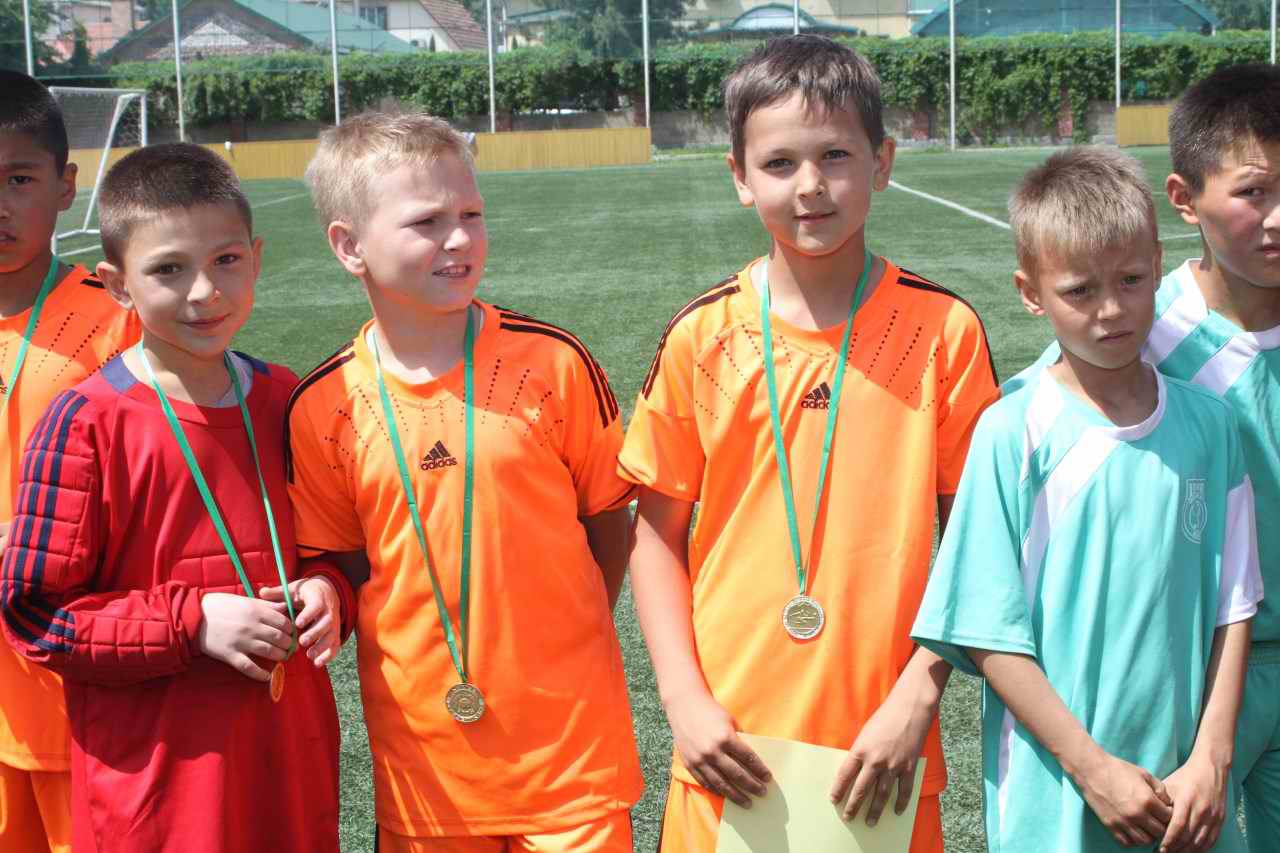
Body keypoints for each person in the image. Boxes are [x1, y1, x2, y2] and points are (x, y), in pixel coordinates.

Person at [619, 35, 999, 852]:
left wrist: (919, 694)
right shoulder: (701, 338)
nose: (810, 185)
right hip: (729, 746)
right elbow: (654, 535)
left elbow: (980, 540)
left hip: (884, 751)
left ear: (882, 162)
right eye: (780, 163)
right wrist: (683, 701)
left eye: (835, 155)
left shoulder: (943, 331)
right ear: (739, 176)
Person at [287, 110, 643, 852]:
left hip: (571, 754)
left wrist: (563, 631)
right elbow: (343, 564)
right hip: (428, 771)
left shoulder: (555, 363)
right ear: (350, 246)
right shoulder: (324, 404)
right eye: (427, 221)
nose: (459, 239)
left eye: (471, 214)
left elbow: (611, 523)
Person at [913, 146, 1261, 852]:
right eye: (1079, 290)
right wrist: (1093, 769)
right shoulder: (1012, 431)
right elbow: (987, 630)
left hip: (1184, 792)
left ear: (1158, 264)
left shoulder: (1212, 426)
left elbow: (1234, 603)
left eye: (1131, 280)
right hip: (1057, 792)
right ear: (1030, 292)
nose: (1111, 309)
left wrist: (1211, 755)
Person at [0, 143, 340, 852]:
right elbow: (35, 615)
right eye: (168, 269)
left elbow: (335, 545)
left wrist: (329, 589)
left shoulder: (288, 397)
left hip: (285, 763)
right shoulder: (85, 422)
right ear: (117, 285)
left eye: (226, 260)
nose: (204, 291)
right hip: (155, 788)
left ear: (256, 258)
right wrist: (192, 622)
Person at [0, 69, 140, 853]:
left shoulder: (114, 321)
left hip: (70, 680)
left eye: (18, 179)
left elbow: (154, 490)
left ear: (65, 186)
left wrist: (39, 542)